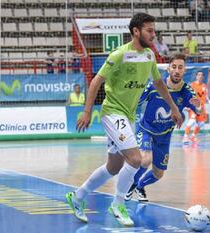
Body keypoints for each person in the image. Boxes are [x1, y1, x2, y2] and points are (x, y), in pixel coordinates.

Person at [65, 13, 183, 227]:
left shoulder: (149, 56)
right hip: (112, 112)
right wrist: (87, 111)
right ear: (136, 31)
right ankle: (118, 204)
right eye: (149, 30)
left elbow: (158, 84)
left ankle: (77, 196)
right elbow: (96, 82)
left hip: (128, 116)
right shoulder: (119, 54)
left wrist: (174, 108)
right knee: (136, 159)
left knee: (113, 167)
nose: (153, 34)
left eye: (154, 30)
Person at [125, 53, 200, 202]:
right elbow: (135, 101)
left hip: (164, 136)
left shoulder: (186, 91)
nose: (177, 70)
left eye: (180, 67)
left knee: (158, 174)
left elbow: (197, 107)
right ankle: (129, 185)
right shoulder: (154, 86)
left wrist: (196, 107)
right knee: (146, 159)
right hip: (146, 129)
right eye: (174, 67)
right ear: (168, 69)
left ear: (184, 70)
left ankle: (140, 185)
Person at [183, 71, 210, 143]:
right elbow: (186, 96)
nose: (200, 76)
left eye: (202, 75)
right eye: (199, 75)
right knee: (192, 121)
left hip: (201, 107)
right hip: (193, 106)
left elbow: (206, 97)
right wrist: (186, 105)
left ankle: (193, 136)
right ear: (196, 76)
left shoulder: (204, 86)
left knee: (201, 123)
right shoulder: (192, 85)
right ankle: (185, 137)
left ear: (203, 77)